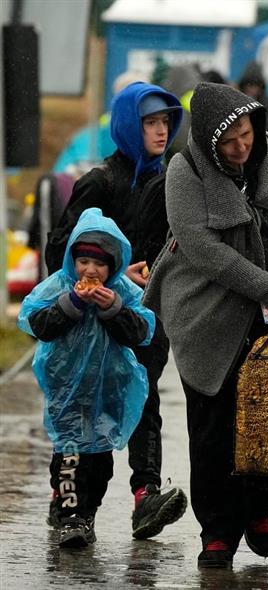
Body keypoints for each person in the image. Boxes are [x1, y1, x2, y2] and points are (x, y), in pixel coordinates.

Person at [142, 82, 268, 569]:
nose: (241, 147)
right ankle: (217, 531)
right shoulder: (183, 173)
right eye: (229, 142)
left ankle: (258, 510)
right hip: (208, 308)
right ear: (210, 140)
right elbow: (204, 249)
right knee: (212, 422)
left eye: (246, 135)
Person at [44, 81, 188, 540]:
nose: (161, 131)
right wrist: (114, 276)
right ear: (129, 125)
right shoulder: (100, 182)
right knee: (89, 411)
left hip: (145, 317)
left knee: (144, 399)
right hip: (91, 323)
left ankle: (145, 496)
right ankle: (71, 503)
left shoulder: (171, 183)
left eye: (166, 121)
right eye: (150, 122)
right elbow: (59, 252)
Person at [19, 207, 156, 548]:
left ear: (112, 266)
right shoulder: (59, 288)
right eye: (83, 262)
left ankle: (87, 512)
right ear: (72, 260)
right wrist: (71, 305)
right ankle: (71, 516)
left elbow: (141, 332)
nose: (91, 271)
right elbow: (39, 325)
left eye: (99, 264)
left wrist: (114, 309)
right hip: (66, 389)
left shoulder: (123, 291)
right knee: (69, 456)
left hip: (108, 388)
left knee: (98, 461)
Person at [239, 61, 268, 138]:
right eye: (248, 85)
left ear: (261, 87)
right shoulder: (236, 104)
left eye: (255, 85)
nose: (251, 90)